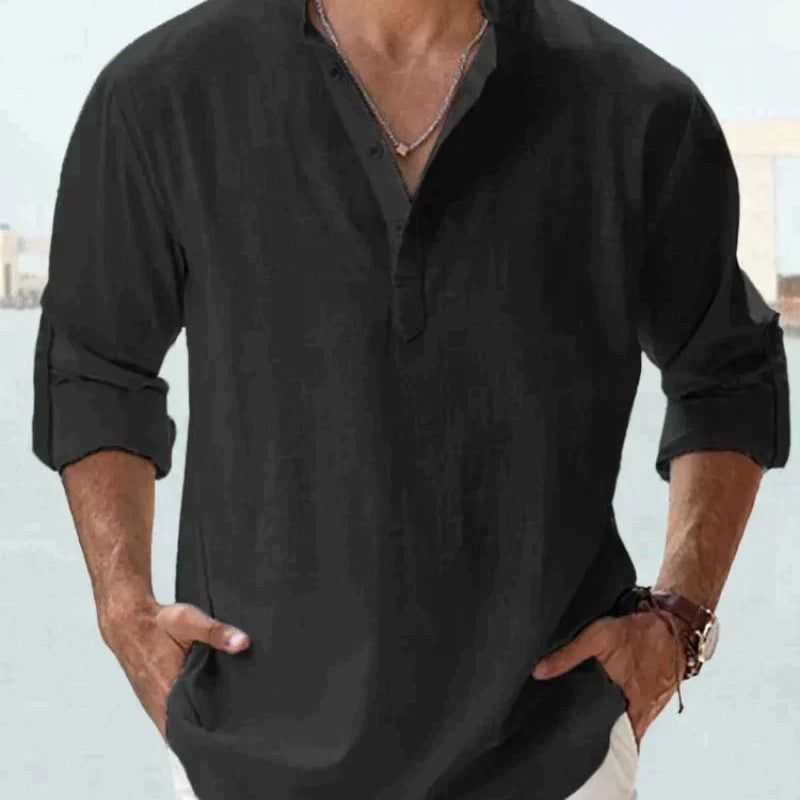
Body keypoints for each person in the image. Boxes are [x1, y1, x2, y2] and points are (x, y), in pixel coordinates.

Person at [31, 0, 790, 798]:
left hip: (555, 760)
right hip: (246, 762)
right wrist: (125, 612)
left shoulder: (638, 107)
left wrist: (679, 620)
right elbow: (93, 365)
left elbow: (730, 373)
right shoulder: (161, 96)